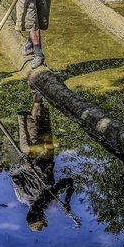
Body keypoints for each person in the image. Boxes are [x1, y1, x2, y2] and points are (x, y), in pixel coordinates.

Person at [11, 91, 74, 231]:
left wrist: (24, 167)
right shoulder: (48, 198)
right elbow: (69, 181)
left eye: (41, 217)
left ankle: (37, 91)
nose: (44, 215)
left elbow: (14, 174)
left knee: (33, 123)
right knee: (42, 121)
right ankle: (37, 92)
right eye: (44, 217)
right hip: (47, 154)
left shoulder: (22, 196)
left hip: (30, 153)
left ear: (33, 214)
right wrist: (67, 201)